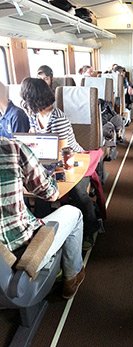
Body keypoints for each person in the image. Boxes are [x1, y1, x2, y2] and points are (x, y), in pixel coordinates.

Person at [20, 77, 102, 250]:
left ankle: (91, 227)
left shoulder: (58, 119)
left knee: (78, 193)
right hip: (48, 160)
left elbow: (63, 153)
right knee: (41, 192)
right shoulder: (35, 115)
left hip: (74, 159)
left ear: (33, 99)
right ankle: (44, 233)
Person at [0, 136, 85, 299]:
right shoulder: (12, 148)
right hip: (19, 253)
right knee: (74, 213)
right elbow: (51, 194)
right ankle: (72, 278)